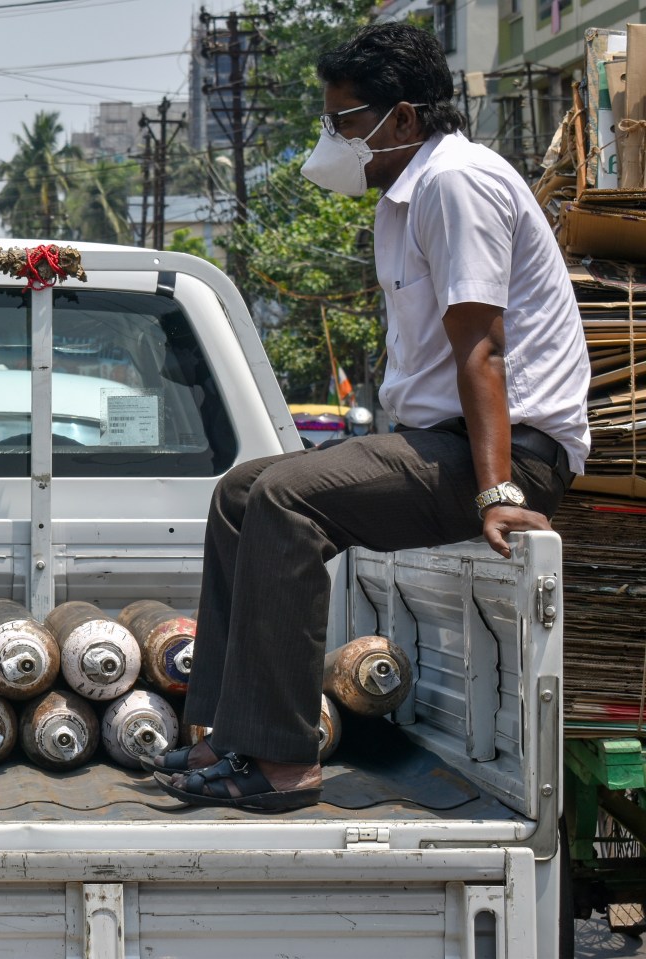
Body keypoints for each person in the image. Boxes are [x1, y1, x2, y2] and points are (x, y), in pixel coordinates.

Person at [145, 21, 591, 812]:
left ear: (407, 120)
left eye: (347, 120)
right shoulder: (405, 196)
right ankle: (217, 730)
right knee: (243, 492)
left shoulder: (456, 183)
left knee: (288, 498)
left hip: (505, 456)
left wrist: (496, 492)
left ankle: (283, 762)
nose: (335, 137)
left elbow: (482, 349)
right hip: (437, 446)